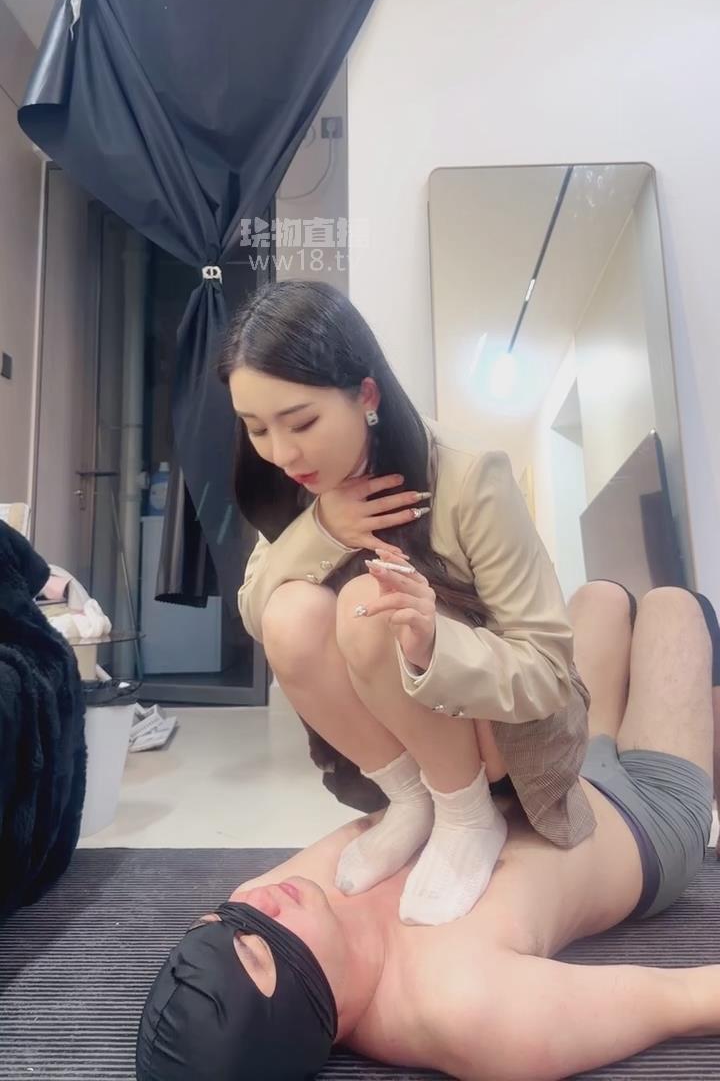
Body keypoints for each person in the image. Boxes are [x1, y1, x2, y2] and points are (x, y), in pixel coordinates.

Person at [137, 581, 718, 1081]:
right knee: (671, 607)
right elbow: (683, 999)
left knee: (601, 598)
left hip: (546, 766)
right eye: (253, 948)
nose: (258, 902)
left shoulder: (267, 903)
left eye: (218, 924)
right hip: (646, 817)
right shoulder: (461, 1008)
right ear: (305, 1020)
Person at [216, 279, 593, 926]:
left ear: (366, 395)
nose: (281, 453)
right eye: (256, 428)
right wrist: (325, 529)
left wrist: (434, 643)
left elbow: (549, 671)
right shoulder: (298, 488)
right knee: (290, 614)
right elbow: (258, 615)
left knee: (369, 603)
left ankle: (467, 814)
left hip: (506, 729)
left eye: (302, 422)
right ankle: (412, 802)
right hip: (408, 741)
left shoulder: (470, 476)